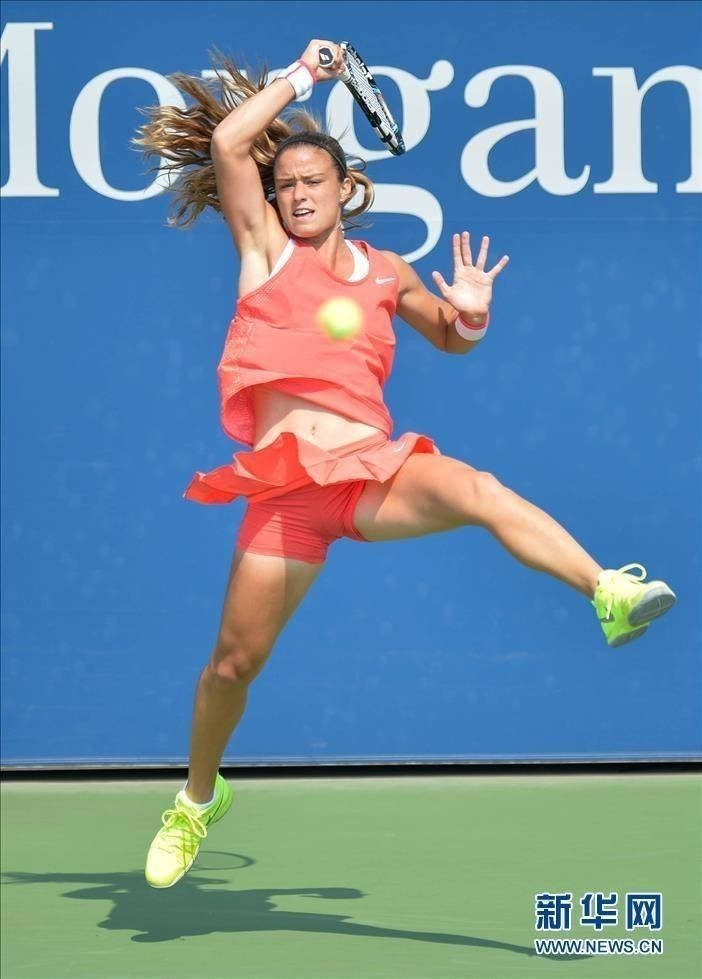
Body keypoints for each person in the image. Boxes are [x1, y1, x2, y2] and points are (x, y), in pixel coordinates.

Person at [133, 40, 676, 889]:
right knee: (232, 667)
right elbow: (231, 145)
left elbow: (452, 340)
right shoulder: (264, 252)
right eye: (287, 187)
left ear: (347, 189)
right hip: (285, 489)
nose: (297, 194)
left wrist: (473, 316)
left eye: (313, 182)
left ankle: (607, 589)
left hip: (370, 473)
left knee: (476, 489)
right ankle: (197, 800)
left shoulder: (387, 274)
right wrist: (303, 76)